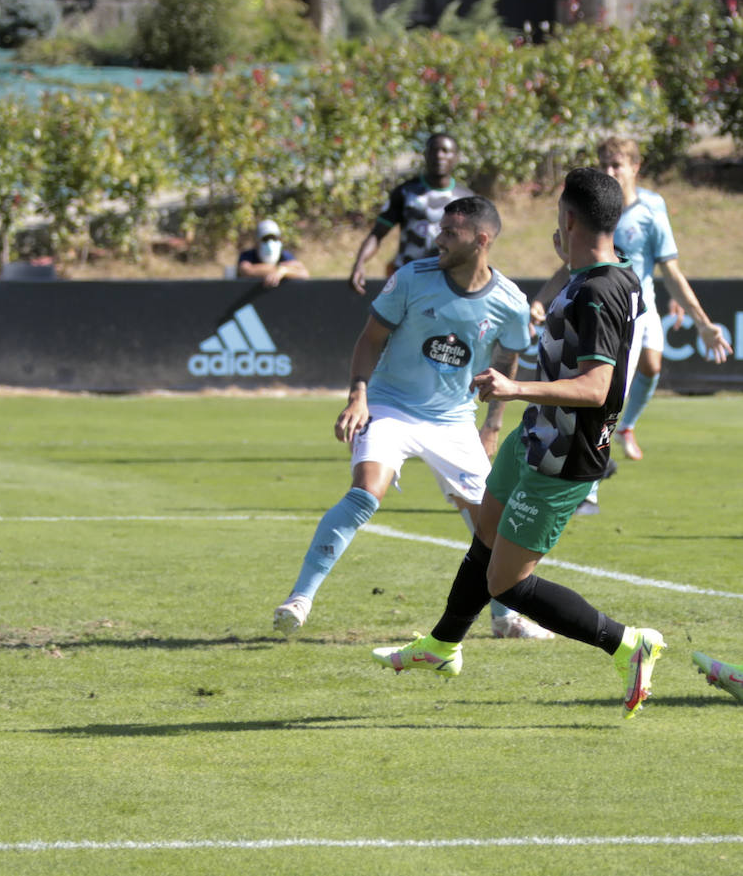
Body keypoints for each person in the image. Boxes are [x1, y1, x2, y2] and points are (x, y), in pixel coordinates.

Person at [372, 167, 665, 720]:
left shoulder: (599, 292)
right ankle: (441, 647)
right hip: (537, 435)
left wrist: (513, 386)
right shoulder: (614, 273)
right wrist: (570, 259)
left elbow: (598, 385)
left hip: (566, 455)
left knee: (506, 582)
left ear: (569, 217)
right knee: (484, 533)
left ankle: (629, 643)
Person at [273, 196, 551, 640]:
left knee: (491, 523)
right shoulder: (410, 279)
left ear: (481, 240)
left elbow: (508, 360)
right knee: (366, 492)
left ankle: (505, 619)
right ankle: (299, 599)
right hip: (390, 406)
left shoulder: (510, 302)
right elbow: (369, 340)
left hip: (454, 421)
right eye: (439, 230)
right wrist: (358, 395)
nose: (436, 239)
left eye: (449, 233)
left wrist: (492, 426)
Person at [529, 136, 731, 515]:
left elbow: (670, 268)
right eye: (604, 163)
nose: (609, 171)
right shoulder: (592, 208)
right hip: (601, 308)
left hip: (640, 306)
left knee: (646, 372)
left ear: (635, 167)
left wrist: (703, 323)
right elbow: (567, 261)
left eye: (617, 164)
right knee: (604, 394)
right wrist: (541, 299)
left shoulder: (652, 208)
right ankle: (587, 486)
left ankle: (623, 431)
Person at [349, 132, 474, 295]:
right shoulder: (406, 192)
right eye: (433, 150)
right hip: (408, 281)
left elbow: (478, 245)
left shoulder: (467, 199)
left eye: (445, 151)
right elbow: (377, 234)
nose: (439, 155)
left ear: (456, 157)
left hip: (449, 284)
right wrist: (359, 264)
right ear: (425, 155)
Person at [237, 219, 309, 287]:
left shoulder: (284, 255)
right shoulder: (248, 256)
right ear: (257, 242)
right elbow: (247, 270)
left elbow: (304, 273)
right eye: (266, 239)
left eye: (274, 238)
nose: (270, 242)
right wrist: (279, 269)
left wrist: (283, 271)